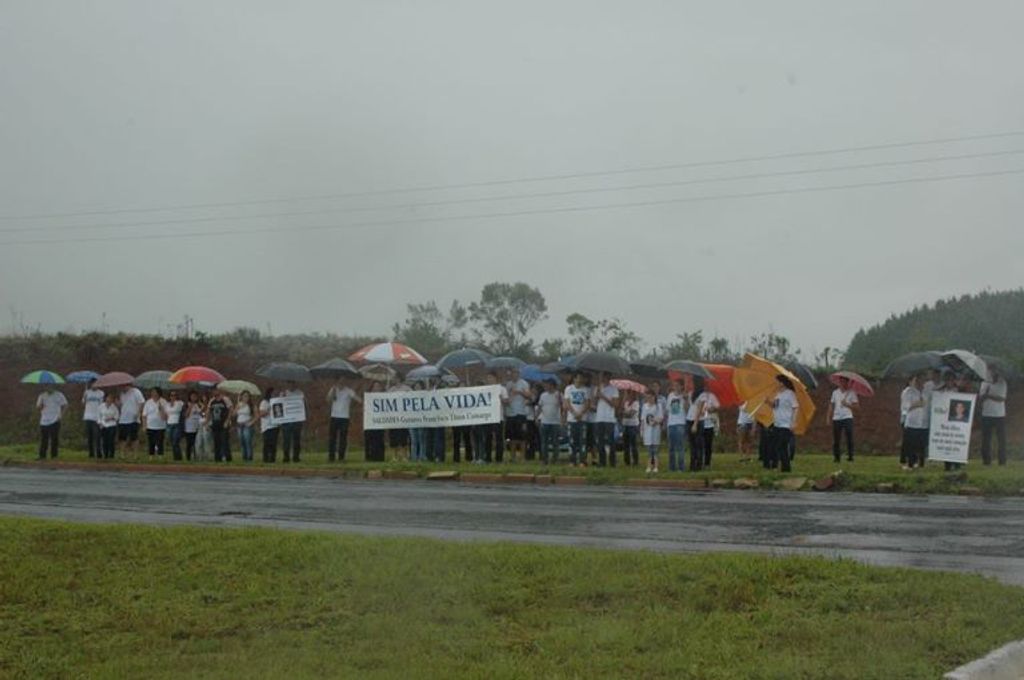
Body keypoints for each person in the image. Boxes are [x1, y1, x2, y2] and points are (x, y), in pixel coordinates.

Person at [769, 376, 799, 473]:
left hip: (786, 424)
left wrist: (793, 422)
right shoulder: (777, 394)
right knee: (776, 446)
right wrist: (768, 403)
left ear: (782, 383)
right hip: (777, 423)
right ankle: (778, 466)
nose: (775, 383)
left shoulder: (790, 394)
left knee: (782, 446)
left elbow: (795, 407)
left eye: (777, 381)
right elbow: (775, 407)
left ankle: (786, 468)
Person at [978, 369, 1008, 465]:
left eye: (993, 371)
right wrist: (985, 394)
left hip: (1000, 415)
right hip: (986, 414)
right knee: (986, 439)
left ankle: (1002, 461)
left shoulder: (1002, 383)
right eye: (989, 372)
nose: (991, 373)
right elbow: (980, 398)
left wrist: (989, 395)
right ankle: (986, 461)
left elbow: (1002, 398)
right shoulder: (984, 383)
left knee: (1001, 439)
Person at [327, 379, 361, 462]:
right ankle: (331, 457)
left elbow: (358, 400)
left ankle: (341, 457)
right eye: (339, 380)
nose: (341, 382)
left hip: (344, 417)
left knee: (343, 438)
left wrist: (358, 396)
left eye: (343, 380)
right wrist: (333, 391)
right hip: (334, 416)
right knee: (332, 438)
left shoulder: (348, 390)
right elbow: (328, 400)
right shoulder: (333, 389)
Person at [900, 374, 928, 470]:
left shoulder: (925, 391)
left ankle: (919, 463)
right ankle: (909, 463)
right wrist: (917, 404)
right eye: (916, 380)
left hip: (923, 423)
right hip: (912, 422)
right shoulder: (908, 392)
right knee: (910, 444)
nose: (919, 382)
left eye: (921, 380)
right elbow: (905, 407)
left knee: (921, 445)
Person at [828, 377, 859, 463]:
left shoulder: (852, 393)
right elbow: (831, 405)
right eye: (841, 382)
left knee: (849, 436)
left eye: (844, 382)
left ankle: (850, 456)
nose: (842, 383)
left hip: (847, 417)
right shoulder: (835, 393)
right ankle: (837, 457)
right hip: (837, 418)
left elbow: (857, 407)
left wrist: (847, 404)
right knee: (836, 438)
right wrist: (828, 417)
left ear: (847, 382)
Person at [592, 373, 620, 467]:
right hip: (599, 418)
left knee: (611, 441)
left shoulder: (613, 389)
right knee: (600, 441)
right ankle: (602, 461)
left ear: (608, 378)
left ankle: (612, 462)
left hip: (609, 418)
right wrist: (596, 396)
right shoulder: (598, 388)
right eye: (601, 377)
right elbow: (594, 403)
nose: (602, 379)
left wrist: (603, 396)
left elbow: (615, 404)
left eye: (604, 377)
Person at [563, 373, 590, 467]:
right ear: (574, 378)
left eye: (582, 378)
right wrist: (574, 413)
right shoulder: (568, 389)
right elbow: (567, 403)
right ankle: (572, 460)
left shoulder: (586, 390)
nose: (580, 380)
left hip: (583, 419)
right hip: (571, 419)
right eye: (578, 378)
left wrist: (581, 413)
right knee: (572, 440)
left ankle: (583, 461)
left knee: (582, 440)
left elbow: (587, 403)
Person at [504, 368, 531, 463]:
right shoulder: (508, 384)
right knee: (512, 437)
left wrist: (519, 392)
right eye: (512, 373)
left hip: (521, 413)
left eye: (515, 373)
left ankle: (523, 457)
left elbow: (528, 395)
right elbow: (505, 397)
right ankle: (513, 457)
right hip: (510, 413)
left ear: (518, 374)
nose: (514, 374)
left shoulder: (524, 383)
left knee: (522, 437)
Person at [693, 380, 720, 469]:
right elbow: (696, 406)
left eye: (708, 386)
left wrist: (711, 408)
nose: (706, 388)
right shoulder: (701, 396)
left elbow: (717, 407)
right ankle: (700, 461)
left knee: (708, 444)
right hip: (701, 422)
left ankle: (707, 463)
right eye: (705, 386)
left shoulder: (712, 396)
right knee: (700, 444)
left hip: (709, 424)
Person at [36, 386, 68, 459]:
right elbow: (38, 407)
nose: (49, 388)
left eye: (50, 386)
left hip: (55, 419)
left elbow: (65, 405)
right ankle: (42, 456)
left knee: (54, 438)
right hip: (44, 420)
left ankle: (54, 456)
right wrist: (40, 405)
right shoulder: (42, 395)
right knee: (44, 439)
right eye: (47, 386)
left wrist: (61, 415)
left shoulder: (59, 395)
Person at [536, 379, 562, 464]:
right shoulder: (543, 395)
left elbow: (562, 406)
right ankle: (544, 459)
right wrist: (536, 417)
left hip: (555, 422)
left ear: (552, 385)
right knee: (544, 442)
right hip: (544, 421)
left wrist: (559, 399)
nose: (546, 387)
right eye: (545, 385)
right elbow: (540, 406)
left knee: (555, 442)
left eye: (548, 385)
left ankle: (555, 459)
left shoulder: (558, 394)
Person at [664, 381, 688, 472]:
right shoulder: (670, 395)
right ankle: (672, 467)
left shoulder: (684, 396)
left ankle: (681, 467)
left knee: (680, 447)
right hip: (671, 423)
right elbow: (667, 410)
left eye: (677, 385)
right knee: (671, 447)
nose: (675, 387)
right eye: (674, 385)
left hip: (680, 423)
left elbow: (687, 409)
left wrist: (685, 400)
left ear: (682, 386)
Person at [281, 382, 305, 463]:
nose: (291, 385)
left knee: (296, 440)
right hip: (286, 421)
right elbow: (279, 404)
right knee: (286, 440)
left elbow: (303, 405)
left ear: (295, 384)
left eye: (293, 384)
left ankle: (296, 457)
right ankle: (286, 457)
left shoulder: (300, 393)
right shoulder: (283, 393)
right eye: (289, 384)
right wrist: (282, 397)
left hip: (297, 420)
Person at [117, 384, 145, 454]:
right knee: (122, 437)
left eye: (124, 386)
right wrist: (118, 404)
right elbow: (122, 405)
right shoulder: (121, 394)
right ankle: (122, 453)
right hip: (123, 419)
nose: (123, 387)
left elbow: (142, 402)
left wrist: (138, 413)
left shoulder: (136, 391)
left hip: (133, 419)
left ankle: (135, 454)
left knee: (134, 437)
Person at [363, 381, 387, 462]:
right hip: (370, 421)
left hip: (380, 421)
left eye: (378, 386)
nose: (376, 388)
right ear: (372, 388)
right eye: (375, 386)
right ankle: (369, 457)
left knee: (379, 439)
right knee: (369, 439)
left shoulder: (384, 397)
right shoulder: (368, 397)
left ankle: (380, 457)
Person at [640, 391, 663, 473]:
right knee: (649, 450)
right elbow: (643, 419)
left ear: (654, 397)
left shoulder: (658, 406)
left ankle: (656, 467)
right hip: (647, 430)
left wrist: (655, 421)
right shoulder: (644, 406)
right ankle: (649, 466)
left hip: (655, 430)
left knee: (655, 450)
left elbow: (661, 418)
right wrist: (641, 431)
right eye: (648, 397)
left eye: (651, 397)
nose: (649, 399)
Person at [142, 388, 168, 456]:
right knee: (151, 442)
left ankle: (160, 456)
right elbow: (144, 415)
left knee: (160, 442)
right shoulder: (148, 402)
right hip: (150, 426)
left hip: (160, 426)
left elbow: (165, 417)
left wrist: (161, 409)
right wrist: (144, 426)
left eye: (155, 392)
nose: (154, 394)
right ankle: (151, 456)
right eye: (152, 392)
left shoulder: (164, 402)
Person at [207, 390, 232, 462]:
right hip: (215, 423)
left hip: (223, 423)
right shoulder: (212, 401)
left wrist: (227, 421)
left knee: (224, 441)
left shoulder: (225, 399)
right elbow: (208, 411)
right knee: (216, 441)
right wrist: (207, 423)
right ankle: (217, 458)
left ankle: (227, 458)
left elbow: (230, 410)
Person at [81, 379, 104, 458]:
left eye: (95, 384)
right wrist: (84, 397)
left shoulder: (101, 393)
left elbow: (102, 405)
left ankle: (99, 452)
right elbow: (83, 403)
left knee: (97, 436)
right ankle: (91, 453)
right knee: (89, 436)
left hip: (97, 417)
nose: (94, 385)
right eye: (92, 384)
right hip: (88, 416)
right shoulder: (87, 392)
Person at [233, 391, 255, 462]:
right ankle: (244, 457)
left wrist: (251, 422)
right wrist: (238, 408)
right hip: (239, 425)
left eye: (247, 396)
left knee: (247, 441)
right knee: (242, 441)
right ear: (241, 397)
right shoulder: (239, 404)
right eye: (244, 396)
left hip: (247, 425)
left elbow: (256, 415)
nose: (246, 398)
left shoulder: (251, 405)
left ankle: (249, 457)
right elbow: (233, 414)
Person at [621, 390, 640, 467]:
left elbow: (631, 414)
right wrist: (623, 400)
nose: (629, 395)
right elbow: (620, 412)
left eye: (630, 394)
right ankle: (627, 461)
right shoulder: (625, 403)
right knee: (626, 445)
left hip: (633, 425)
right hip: (625, 425)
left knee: (633, 444)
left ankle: (635, 461)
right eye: (628, 394)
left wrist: (624, 413)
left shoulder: (636, 403)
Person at [97, 392, 120, 459]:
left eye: (111, 398)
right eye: (108, 397)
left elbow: (117, 417)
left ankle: (111, 454)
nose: (109, 399)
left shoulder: (114, 407)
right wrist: (100, 423)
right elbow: (98, 416)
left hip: (112, 425)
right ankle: (105, 454)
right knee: (105, 441)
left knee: (111, 441)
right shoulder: (101, 406)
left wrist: (111, 418)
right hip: (103, 425)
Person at [183, 390, 204, 461]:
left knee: (197, 443)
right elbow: (185, 415)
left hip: (197, 426)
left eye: (195, 396)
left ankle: (196, 456)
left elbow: (202, 414)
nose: (194, 398)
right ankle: (188, 457)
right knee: (189, 443)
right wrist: (190, 407)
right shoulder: (187, 404)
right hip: (189, 427)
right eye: (192, 396)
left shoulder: (198, 404)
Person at [259, 387, 278, 463]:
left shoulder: (276, 401)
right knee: (267, 443)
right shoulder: (264, 402)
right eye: (273, 393)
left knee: (274, 443)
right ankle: (266, 459)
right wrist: (270, 409)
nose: (274, 394)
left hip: (275, 425)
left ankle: (272, 459)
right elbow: (261, 413)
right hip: (267, 426)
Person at [165, 390, 185, 461]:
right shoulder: (167, 404)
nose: (173, 397)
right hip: (169, 424)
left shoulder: (179, 403)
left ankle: (178, 457)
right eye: (171, 395)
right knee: (171, 441)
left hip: (177, 424)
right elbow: (165, 414)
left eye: (174, 395)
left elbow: (183, 408)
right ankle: (175, 456)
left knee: (175, 441)